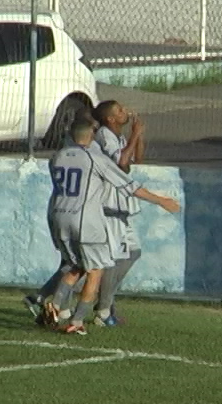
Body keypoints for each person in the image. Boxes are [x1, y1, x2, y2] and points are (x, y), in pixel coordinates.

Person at [43, 118, 180, 335]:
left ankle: (55, 305)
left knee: (75, 265)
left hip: (58, 216)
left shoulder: (57, 157)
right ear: (90, 136)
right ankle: (77, 321)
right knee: (95, 270)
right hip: (85, 221)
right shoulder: (95, 158)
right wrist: (161, 200)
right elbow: (129, 186)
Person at [22, 106, 99, 321]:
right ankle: (54, 305)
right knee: (79, 265)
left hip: (57, 210)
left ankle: (48, 303)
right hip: (77, 214)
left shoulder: (62, 154)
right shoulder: (87, 154)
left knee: (71, 263)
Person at [91, 99, 146, 326]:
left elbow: (137, 159)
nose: (125, 112)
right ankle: (104, 309)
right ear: (110, 119)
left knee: (133, 252)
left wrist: (138, 135)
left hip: (121, 204)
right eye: (120, 111)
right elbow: (121, 163)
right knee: (113, 258)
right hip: (109, 206)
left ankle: (105, 300)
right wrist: (134, 135)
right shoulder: (104, 135)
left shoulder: (119, 137)